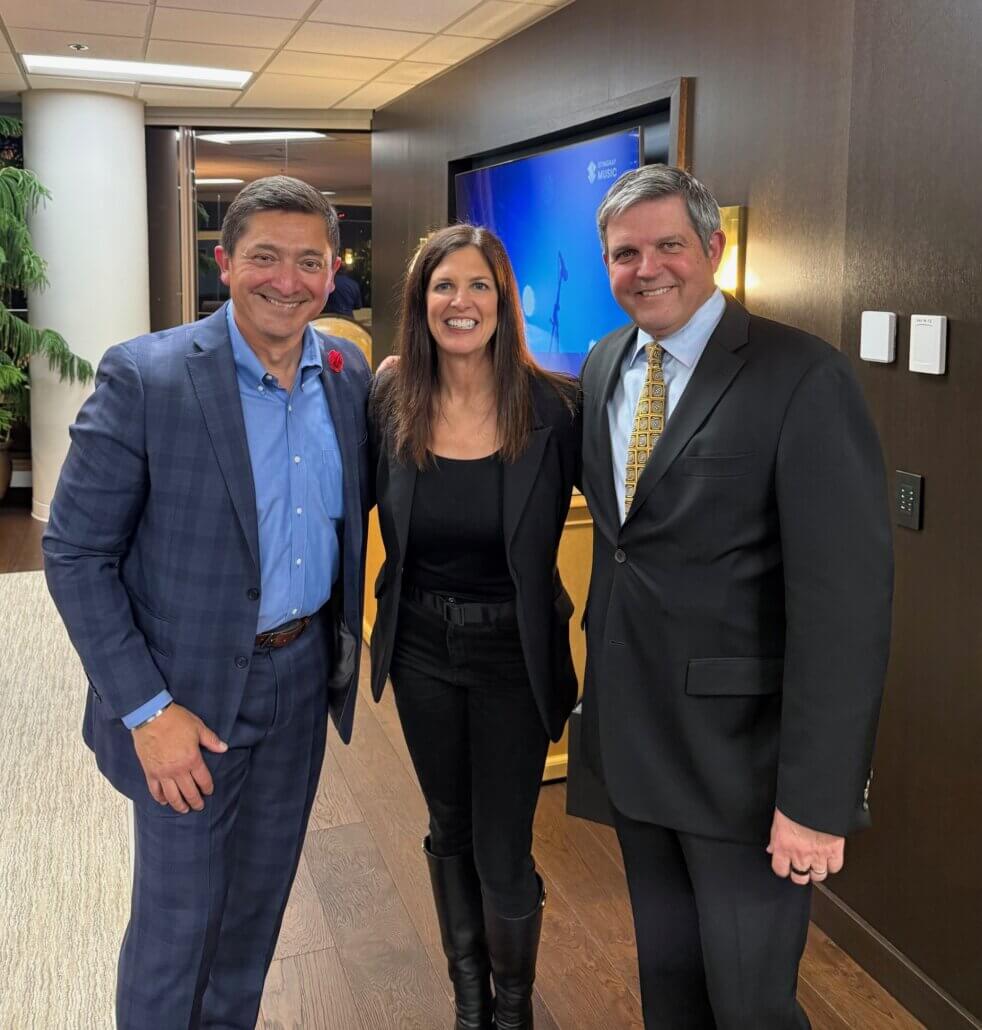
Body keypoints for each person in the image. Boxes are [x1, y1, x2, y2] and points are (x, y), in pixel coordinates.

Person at [42, 176, 372, 1030]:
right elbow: (75, 552)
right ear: (224, 263)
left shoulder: (346, 377)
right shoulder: (147, 376)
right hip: (183, 698)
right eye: (265, 257)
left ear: (333, 271)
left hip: (300, 681)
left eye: (309, 262)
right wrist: (147, 712)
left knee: (255, 918)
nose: (287, 281)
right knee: (177, 930)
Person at [577, 165, 893, 1029]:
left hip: (744, 773)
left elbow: (846, 611)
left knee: (752, 1005)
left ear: (713, 247)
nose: (647, 268)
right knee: (669, 992)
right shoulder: (605, 364)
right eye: (625, 253)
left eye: (669, 245)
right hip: (637, 750)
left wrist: (817, 802)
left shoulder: (803, 376)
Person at [369, 224, 580, 1030]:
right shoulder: (390, 401)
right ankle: (470, 1002)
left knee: (503, 843)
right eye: (444, 286)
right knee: (447, 826)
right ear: (421, 302)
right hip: (421, 647)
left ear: (503, 301)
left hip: (513, 655)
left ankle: (513, 1009)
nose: (461, 302)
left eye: (479, 285)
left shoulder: (556, 409)